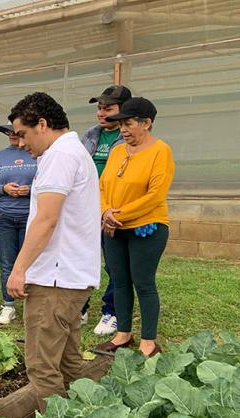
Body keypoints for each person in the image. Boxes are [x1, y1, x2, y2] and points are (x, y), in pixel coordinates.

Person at [5, 92, 101, 412]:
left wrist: (19, 269)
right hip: (71, 276)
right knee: (67, 362)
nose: (20, 143)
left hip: (55, 280)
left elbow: (46, 219)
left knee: (42, 367)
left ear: (42, 124)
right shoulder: (73, 151)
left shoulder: (59, 156)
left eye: (23, 134)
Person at [96, 97, 174, 358]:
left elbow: (155, 195)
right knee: (119, 281)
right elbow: (103, 185)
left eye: (128, 124)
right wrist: (105, 211)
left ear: (146, 123)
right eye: (121, 125)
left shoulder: (160, 151)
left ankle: (148, 341)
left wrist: (118, 215)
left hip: (146, 228)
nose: (123, 130)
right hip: (114, 227)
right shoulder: (118, 151)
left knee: (143, 283)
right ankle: (123, 334)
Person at [80, 85, 132, 335]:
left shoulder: (129, 140)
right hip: (86, 210)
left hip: (112, 212)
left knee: (114, 265)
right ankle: (79, 308)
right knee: (81, 259)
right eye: (99, 108)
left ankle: (112, 312)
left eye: (108, 108)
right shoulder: (90, 135)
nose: (101, 113)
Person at [0, 122, 37, 324]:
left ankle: (32, 306)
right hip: (4, 216)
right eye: (8, 133)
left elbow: (46, 184)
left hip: (29, 216)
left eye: (15, 132)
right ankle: (8, 306)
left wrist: (30, 190)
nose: (12, 135)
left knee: (30, 263)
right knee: (7, 263)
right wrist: (4, 189)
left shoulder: (35, 153)